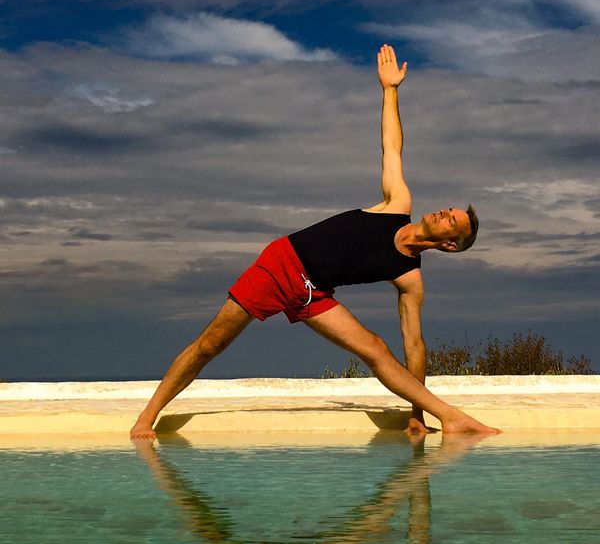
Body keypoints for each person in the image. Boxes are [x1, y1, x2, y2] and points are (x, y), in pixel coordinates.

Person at [130, 44, 499, 440]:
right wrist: (390, 91)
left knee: (376, 349)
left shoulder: (409, 277)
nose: (444, 213)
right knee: (210, 345)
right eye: (448, 210)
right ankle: (146, 418)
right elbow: (391, 146)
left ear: (450, 246)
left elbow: (415, 344)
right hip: (282, 264)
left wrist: (415, 413)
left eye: (452, 221)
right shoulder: (397, 204)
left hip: (313, 293)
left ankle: (447, 416)